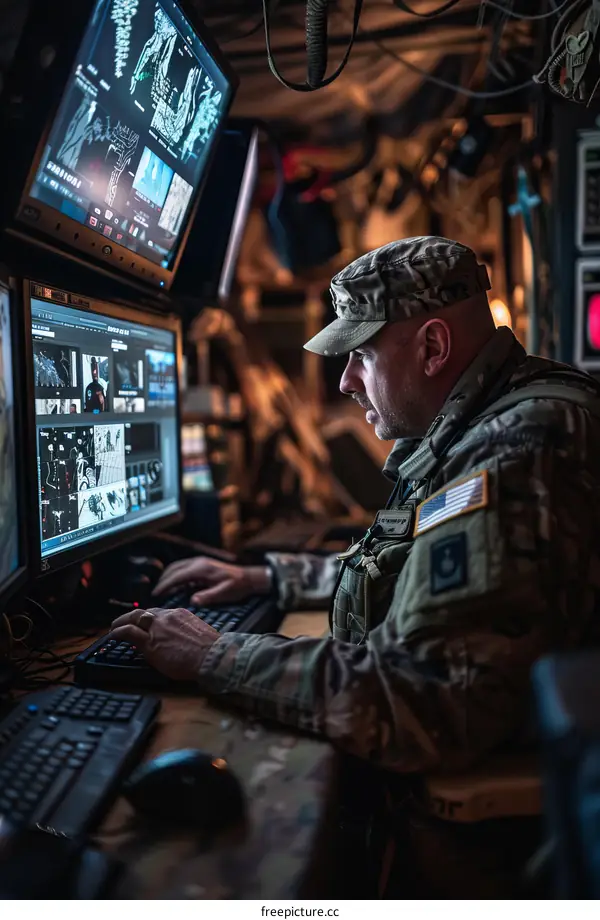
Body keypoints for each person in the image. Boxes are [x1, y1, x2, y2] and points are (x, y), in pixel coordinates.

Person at [110, 237, 600, 893]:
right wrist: (274, 579)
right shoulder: (495, 413)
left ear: (431, 347)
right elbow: (418, 550)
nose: (343, 381)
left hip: (503, 843)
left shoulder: (517, 449)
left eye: (361, 355)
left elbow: (422, 699)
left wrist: (214, 656)